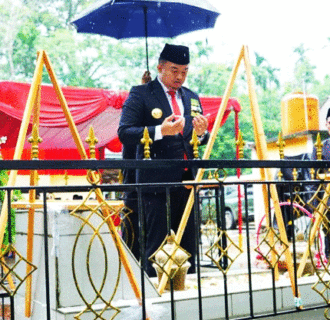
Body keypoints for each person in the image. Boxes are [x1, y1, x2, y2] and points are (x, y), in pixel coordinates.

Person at [118, 43, 209, 277]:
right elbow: (125, 132)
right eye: (174, 70)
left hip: (188, 181)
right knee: (155, 247)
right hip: (155, 183)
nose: (180, 76)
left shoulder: (191, 97)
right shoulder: (141, 93)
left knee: (188, 247)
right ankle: (154, 300)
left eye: (185, 71)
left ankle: (187, 295)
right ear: (160, 68)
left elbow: (197, 141)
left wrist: (201, 134)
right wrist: (160, 131)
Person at [312, 108, 330, 258]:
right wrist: (315, 202)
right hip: (327, 200)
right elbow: (313, 176)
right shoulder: (320, 147)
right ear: (326, 124)